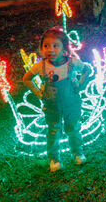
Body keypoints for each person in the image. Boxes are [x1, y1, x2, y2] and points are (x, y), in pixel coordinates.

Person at [23, 27, 91, 171]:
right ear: (41, 48)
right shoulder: (41, 66)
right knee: (53, 130)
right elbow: (27, 78)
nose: (50, 49)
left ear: (64, 48)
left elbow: (87, 70)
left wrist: (80, 85)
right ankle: (54, 159)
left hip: (71, 104)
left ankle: (78, 153)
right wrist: (38, 93)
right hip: (52, 106)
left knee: (73, 128)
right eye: (46, 46)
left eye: (55, 45)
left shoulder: (72, 62)